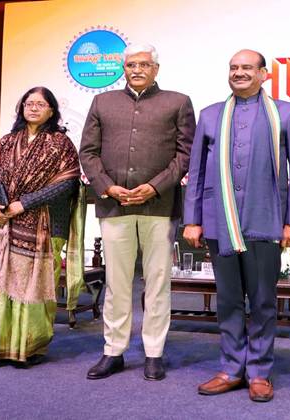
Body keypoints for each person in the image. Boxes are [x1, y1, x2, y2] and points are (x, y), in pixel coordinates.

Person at [183, 49, 290, 402]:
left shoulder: (286, 113)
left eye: (247, 67)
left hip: (265, 219)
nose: (238, 73)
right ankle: (230, 368)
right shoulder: (211, 115)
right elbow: (196, 171)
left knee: (263, 301)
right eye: (233, 67)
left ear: (264, 74)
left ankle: (259, 371)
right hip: (218, 220)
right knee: (228, 300)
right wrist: (192, 219)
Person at [79, 44, 195, 381]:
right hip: (113, 204)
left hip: (159, 205)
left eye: (144, 64)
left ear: (156, 68)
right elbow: (88, 152)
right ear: (123, 68)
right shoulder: (102, 102)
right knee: (116, 283)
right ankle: (113, 351)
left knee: (157, 282)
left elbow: (185, 155)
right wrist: (108, 186)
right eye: (131, 64)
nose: (137, 70)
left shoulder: (178, 102)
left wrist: (155, 187)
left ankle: (154, 353)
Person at [0, 86, 80, 363]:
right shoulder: (7, 141)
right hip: (5, 222)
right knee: (0, 284)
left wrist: (25, 203)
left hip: (47, 223)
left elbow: (67, 182)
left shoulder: (60, 143)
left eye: (40, 104)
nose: (33, 108)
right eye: (29, 103)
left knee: (35, 286)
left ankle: (30, 347)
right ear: (21, 108)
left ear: (51, 111)